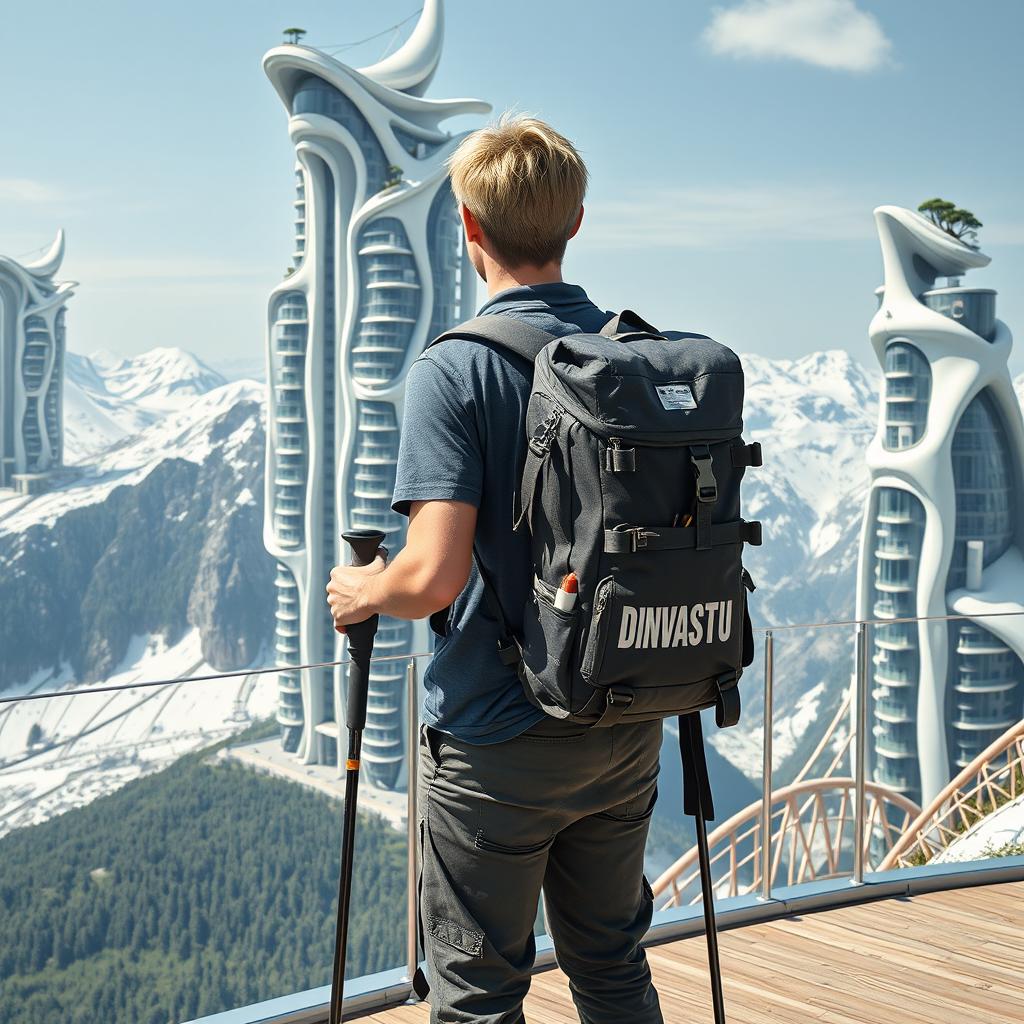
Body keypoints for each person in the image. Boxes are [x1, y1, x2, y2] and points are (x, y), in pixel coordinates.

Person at [326, 114, 663, 1024]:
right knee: (614, 968)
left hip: (495, 736)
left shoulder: (456, 370)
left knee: (479, 998)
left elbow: (431, 577)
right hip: (623, 717)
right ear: (577, 221)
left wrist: (363, 587)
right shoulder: (636, 354)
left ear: (468, 227)